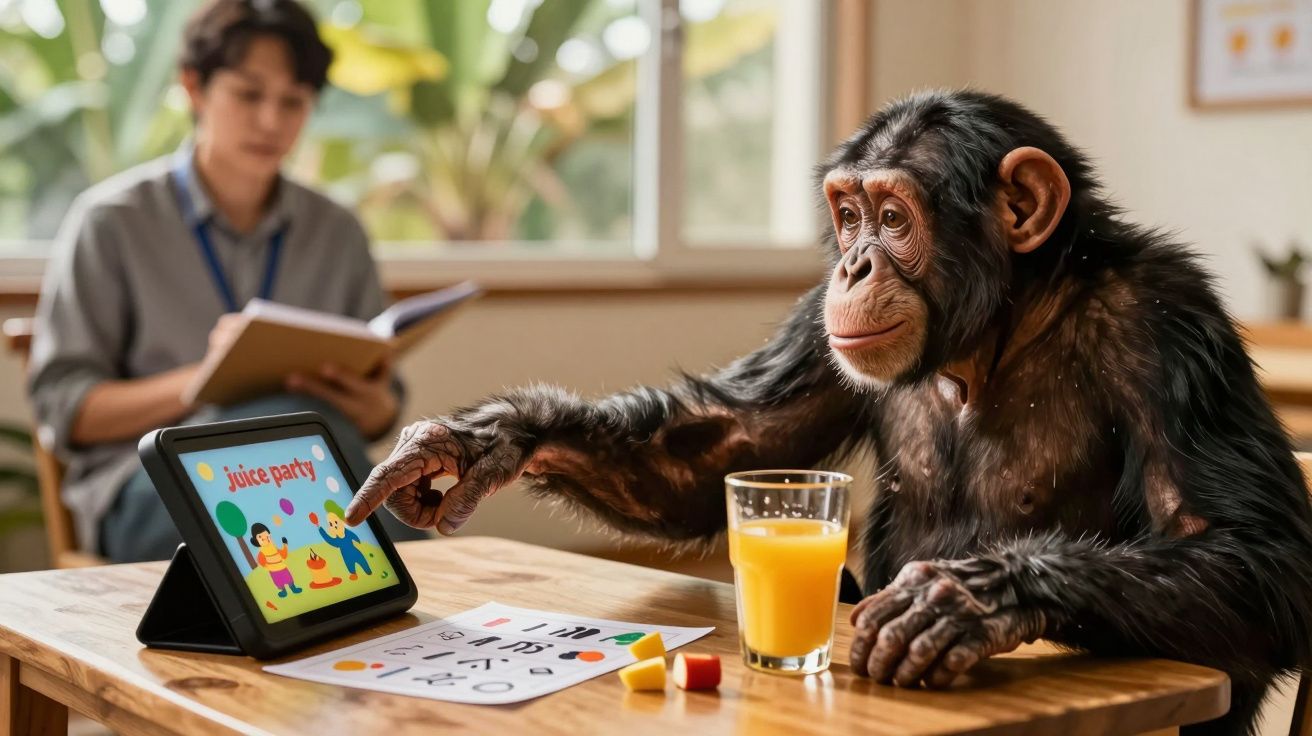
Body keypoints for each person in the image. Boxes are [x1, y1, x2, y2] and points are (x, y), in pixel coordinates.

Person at [27, 0, 424, 563]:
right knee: (294, 434)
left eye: (293, 101)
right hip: (148, 486)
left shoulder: (337, 231)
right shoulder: (111, 221)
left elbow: (382, 413)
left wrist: (368, 402)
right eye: (249, 93)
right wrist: (204, 383)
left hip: (308, 482)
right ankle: (436, 607)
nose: (271, 121)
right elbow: (65, 410)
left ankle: (419, 615)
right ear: (194, 87)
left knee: (320, 442)